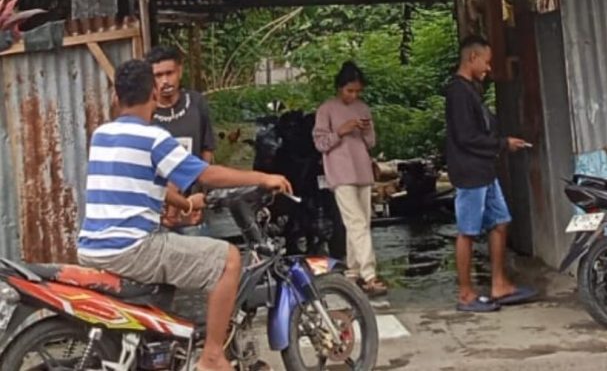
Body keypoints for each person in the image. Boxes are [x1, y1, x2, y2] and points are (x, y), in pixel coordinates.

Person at [77, 59, 292, 371]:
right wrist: (262, 177)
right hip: (132, 249)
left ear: (116, 97)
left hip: (92, 247)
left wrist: (187, 204)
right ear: (153, 94)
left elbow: (140, 183)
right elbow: (206, 175)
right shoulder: (153, 138)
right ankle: (213, 356)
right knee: (229, 259)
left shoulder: (101, 135)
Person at [445, 35, 538, 313]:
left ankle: (499, 284)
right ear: (472, 57)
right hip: (470, 172)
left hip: (485, 169)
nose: (488, 68)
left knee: (500, 221)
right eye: (486, 62)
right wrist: (502, 144)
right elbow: (466, 137)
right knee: (468, 232)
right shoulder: (457, 92)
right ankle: (465, 293)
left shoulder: (471, 89)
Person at [313, 61, 387, 298]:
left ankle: (353, 271)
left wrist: (365, 129)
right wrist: (340, 131)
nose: (353, 96)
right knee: (356, 222)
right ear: (339, 88)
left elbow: (371, 142)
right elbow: (320, 143)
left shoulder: (363, 108)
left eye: (357, 91)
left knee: (362, 222)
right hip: (340, 173)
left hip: (362, 170)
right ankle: (369, 274)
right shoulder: (326, 109)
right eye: (349, 91)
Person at [145, 46, 216, 232]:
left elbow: (207, 149)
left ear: (180, 71)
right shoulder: (145, 112)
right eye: (158, 75)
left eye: (170, 73)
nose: (165, 81)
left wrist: (200, 194)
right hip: (158, 211)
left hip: (193, 205)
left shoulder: (196, 103)